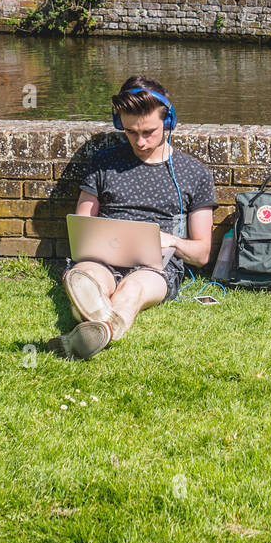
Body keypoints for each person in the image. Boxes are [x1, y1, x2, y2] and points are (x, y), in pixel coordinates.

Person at [47, 75, 217, 360]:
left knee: (133, 291)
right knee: (86, 280)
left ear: (169, 122)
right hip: (100, 258)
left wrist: (171, 241)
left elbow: (201, 254)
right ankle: (105, 326)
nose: (140, 141)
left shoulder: (193, 172)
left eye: (149, 131)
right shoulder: (104, 162)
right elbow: (82, 225)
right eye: (130, 132)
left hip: (155, 268)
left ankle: (92, 326)